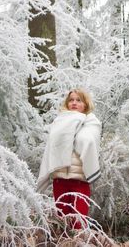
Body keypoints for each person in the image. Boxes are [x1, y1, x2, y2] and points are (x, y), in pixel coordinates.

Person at [37, 89, 102, 229]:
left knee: (79, 223)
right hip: (59, 179)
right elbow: (51, 147)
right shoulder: (59, 121)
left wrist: (76, 125)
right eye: (71, 100)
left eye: (78, 100)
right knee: (62, 223)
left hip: (79, 181)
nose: (74, 103)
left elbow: (87, 141)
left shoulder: (91, 122)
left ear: (85, 104)